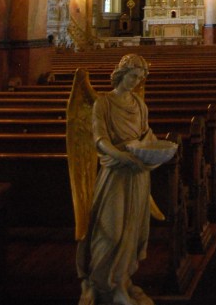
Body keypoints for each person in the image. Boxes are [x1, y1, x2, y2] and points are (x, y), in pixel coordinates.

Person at [77, 54, 157, 305]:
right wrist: (122, 156)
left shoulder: (140, 105)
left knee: (132, 230)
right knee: (110, 231)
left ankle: (121, 283)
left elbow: (147, 136)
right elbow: (99, 140)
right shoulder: (103, 103)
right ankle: (97, 282)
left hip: (137, 174)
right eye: (133, 76)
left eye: (140, 77)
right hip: (115, 173)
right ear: (121, 73)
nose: (136, 81)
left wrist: (155, 152)